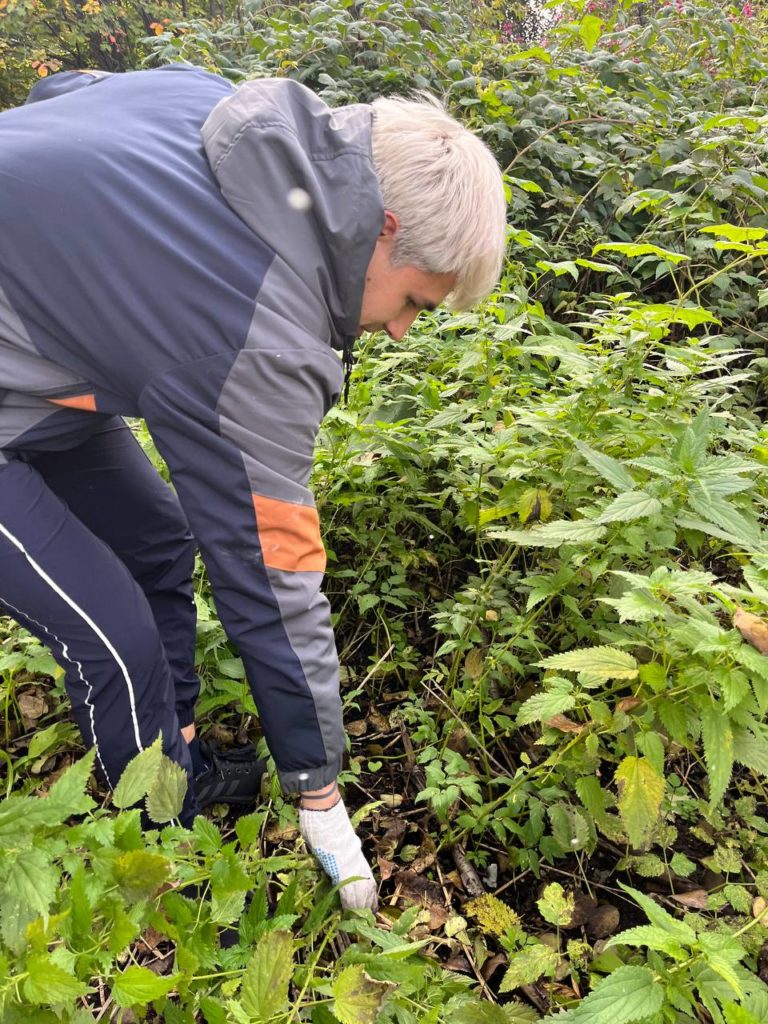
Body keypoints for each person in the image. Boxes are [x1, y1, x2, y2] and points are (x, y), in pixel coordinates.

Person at [0, 65, 507, 910]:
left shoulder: (221, 109)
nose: (400, 328)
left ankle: (180, 758)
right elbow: (273, 577)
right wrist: (318, 786)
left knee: (158, 539)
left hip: (37, 370)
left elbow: (67, 95)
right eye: (415, 300)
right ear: (382, 231)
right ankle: (163, 861)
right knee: (115, 639)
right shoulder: (255, 334)